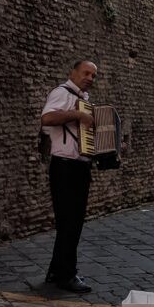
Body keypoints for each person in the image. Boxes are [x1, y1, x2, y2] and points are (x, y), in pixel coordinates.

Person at [41, 59, 98, 293]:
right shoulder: (62, 93)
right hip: (65, 167)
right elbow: (47, 118)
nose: (89, 78)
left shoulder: (84, 100)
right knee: (70, 222)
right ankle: (67, 275)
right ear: (72, 72)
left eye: (93, 76)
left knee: (71, 222)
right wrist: (77, 114)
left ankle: (57, 270)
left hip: (78, 166)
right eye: (86, 73)